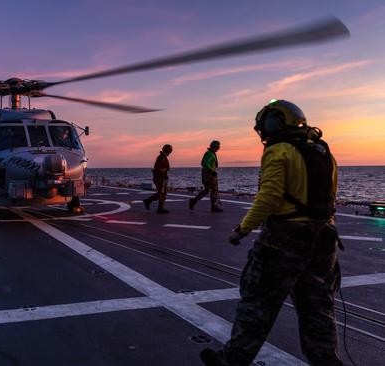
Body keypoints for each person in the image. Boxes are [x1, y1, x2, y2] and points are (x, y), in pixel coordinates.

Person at [200, 100, 342, 366]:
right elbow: (330, 198)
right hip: (324, 240)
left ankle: (232, 361)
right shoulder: (324, 152)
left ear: (275, 123)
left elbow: (269, 197)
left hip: (284, 241)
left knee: (256, 306)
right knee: (318, 312)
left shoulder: (279, 151)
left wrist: (242, 229)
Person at [189, 140, 223, 212]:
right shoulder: (210, 154)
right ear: (215, 146)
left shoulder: (209, 153)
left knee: (207, 190)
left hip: (206, 174)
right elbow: (205, 164)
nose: (219, 148)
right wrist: (212, 171)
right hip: (209, 174)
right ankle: (213, 206)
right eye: (218, 146)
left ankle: (194, 201)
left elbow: (202, 163)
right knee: (214, 190)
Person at [143, 144, 172, 213]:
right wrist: (163, 172)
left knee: (163, 193)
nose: (170, 153)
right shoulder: (161, 157)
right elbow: (158, 168)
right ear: (167, 150)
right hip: (160, 177)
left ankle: (159, 207)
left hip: (161, 177)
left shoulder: (163, 157)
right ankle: (149, 201)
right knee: (161, 193)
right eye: (169, 151)